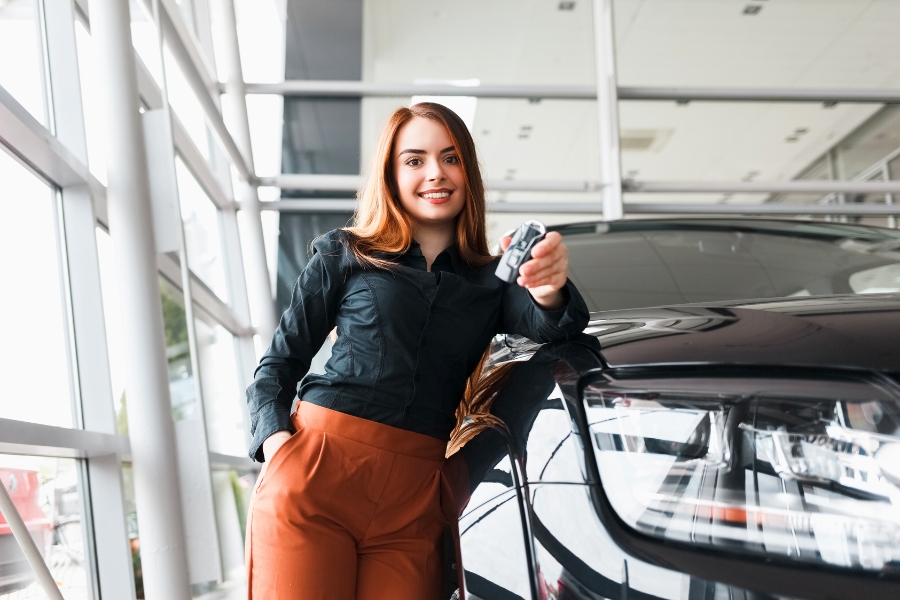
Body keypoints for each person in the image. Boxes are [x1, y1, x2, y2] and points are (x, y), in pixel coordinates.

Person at [244, 102, 590, 600]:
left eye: (451, 158)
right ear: (391, 173)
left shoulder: (492, 284)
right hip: (316, 475)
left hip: (417, 498)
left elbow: (557, 328)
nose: (435, 173)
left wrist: (548, 286)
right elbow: (277, 366)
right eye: (415, 160)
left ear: (468, 173)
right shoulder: (344, 253)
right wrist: (281, 450)